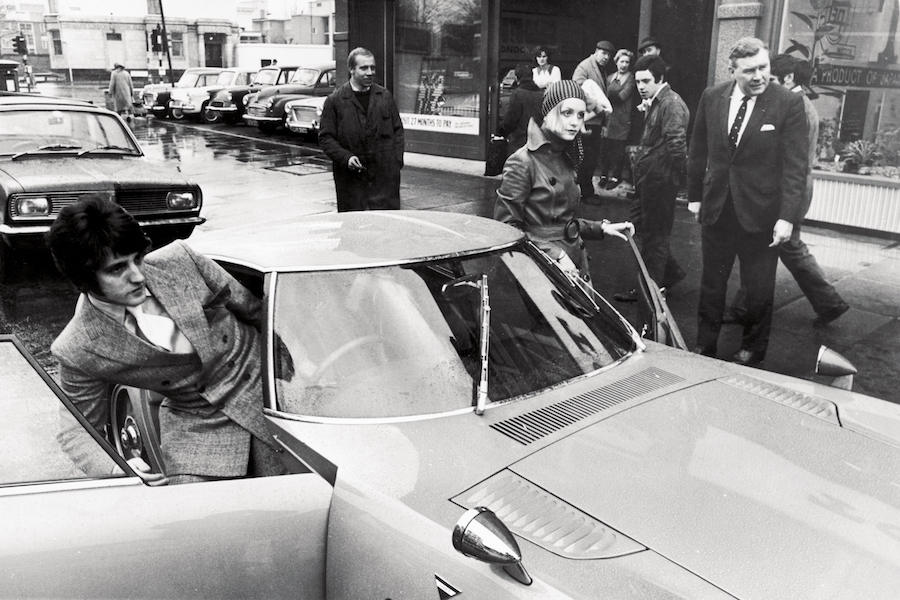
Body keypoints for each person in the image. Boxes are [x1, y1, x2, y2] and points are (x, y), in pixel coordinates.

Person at [48, 197, 287, 484]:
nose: (138, 275)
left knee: (298, 497)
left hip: (269, 391)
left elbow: (258, 313)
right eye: (117, 268)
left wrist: (306, 371)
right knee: (189, 517)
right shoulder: (78, 346)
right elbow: (77, 430)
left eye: (137, 258)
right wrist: (120, 470)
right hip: (197, 423)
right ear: (83, 278)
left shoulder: (180, 259)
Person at [687, 37, 809, 366]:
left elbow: (796, 168)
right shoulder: (712, 98)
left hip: (762, 214)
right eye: (750, 70)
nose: (759, 76)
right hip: (717, 208)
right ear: (732, 70)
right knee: (712, 284)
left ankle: (753, 349)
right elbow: (697, 150)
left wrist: (787, 217)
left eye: (764, 68)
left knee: (758, 289)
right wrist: (695, 196)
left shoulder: (787, 103)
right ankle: (705, 345)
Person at [725, 54, 849, 327]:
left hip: (786, 193)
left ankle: (829, 302)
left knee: (778, 248)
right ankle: (826, 302)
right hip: (787, 192)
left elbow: (792, 161)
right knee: (771, 248)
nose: (763, 84)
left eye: (770, 79)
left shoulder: (796, 108)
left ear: (788, 79)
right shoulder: (797, 105)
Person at [495, 80, 633, 281]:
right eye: (567, 112)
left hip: (574, 260)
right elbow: (507, 229)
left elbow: (564, 222)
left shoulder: (567, 156)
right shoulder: (523, 162)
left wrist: (601, 227)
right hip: (541, 268)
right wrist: (556, 255)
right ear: (549, 112)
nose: (575, 122)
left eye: (580, 115)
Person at [614, 55, 689, 302]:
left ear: (661, 79)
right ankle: (669, 274)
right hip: (650, 180)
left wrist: (676, 181)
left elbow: (677, 145)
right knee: (644, 231)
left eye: (646, 81)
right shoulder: (658, 102)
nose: (641, 86)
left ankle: (651, 291)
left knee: (654, 237)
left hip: (660, 182)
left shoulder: (670, 104)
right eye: (637, 82)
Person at [319, 47, 404, 212]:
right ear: (351, 69)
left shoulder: (384, 96)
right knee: (355, 229)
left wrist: (395, 162)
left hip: (384, 180)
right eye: (364, 68)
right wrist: (346, 158)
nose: (370, 72)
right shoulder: (335, 101)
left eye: (372, 67)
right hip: (352, 181)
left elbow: (398, 131)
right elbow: (326, 138)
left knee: (386, 228)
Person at [573, 40, 616, 203]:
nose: (606, 57)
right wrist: (596, 107)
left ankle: (586, 190)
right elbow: (577, 89)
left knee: (590, 158)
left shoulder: (600, 69)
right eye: (603, 53)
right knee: (587, 158)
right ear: (596, 51)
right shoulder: (584, 67)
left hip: (595, 121)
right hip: (587, 120)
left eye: (609, 55)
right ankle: (586, 193)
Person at [600, 49, 636, 190]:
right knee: (605, 148)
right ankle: (604, 175)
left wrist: (608, 94)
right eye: (622, 61)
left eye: (627, 62)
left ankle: (616, 176)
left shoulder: (631, 79)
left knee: (618, 150)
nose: (624, 65)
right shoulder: (609, 78)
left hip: (622, 119)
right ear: (616, 62)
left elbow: (622, 96)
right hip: (608, 118)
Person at [497, 63, 544, 154]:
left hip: (519, 143)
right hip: (538, 142)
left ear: (517, 78)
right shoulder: (542, 94)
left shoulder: (517, 94)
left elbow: (510, 121)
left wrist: (500, 132)